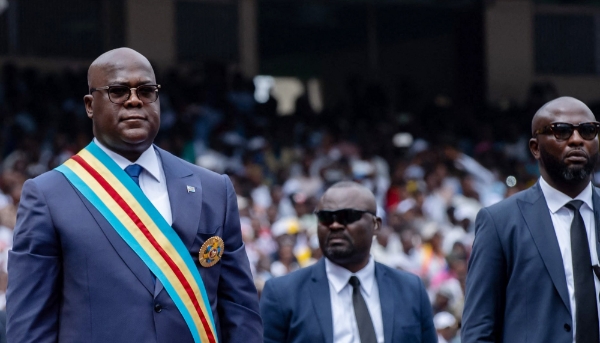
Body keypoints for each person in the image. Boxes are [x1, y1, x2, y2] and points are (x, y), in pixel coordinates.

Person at [6, 48, 262, 343]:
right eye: (118, 91)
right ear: (90, 105)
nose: (134, 100)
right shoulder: (49, 195)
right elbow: (29, 326)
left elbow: (241, 313)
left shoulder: (214, 189)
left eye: (146, 90)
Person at [462, 96, 600, 343]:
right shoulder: (500, 223)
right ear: (535, 147)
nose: (577, 140)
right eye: (562, 131)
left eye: (588, 131)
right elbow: (479, 330)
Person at [260, 181, 437, 343]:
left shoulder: (410, 289)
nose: (335, 225)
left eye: (348, 216)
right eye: (325, 217)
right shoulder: (283, 294)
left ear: (375, 225)